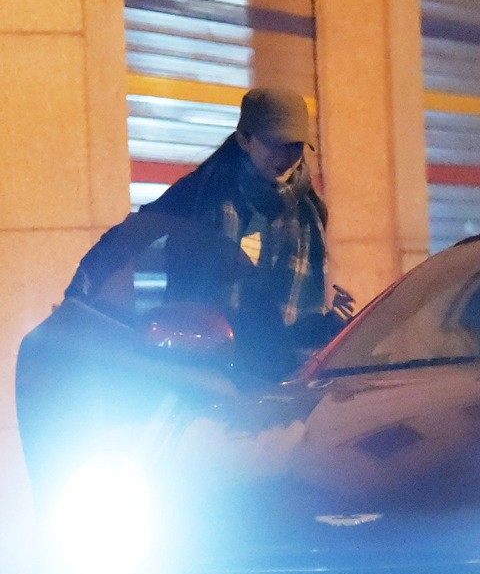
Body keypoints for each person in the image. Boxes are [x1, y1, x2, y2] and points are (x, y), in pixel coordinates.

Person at [65, 87, 354, 378]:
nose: (286, 156)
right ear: (244, 140)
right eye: (274, 143)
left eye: (295, 145)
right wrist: (77, 298)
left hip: (280, 375)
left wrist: (332, 323)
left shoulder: (309, 212)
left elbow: (291, 321)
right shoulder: (201, 193)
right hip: (203, 364)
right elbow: (129, 237)